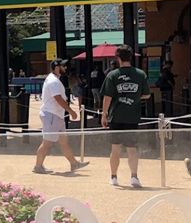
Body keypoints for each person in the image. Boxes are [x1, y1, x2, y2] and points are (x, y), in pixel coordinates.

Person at [100, 46, 147, 188]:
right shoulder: (140, 74)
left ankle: (113, 177)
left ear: (118, 58)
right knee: (132, 149)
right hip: (132, 116)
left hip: (116, 116)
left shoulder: (112, 75)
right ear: (131, 57)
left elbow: (107, 97)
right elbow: (147, 94)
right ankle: (134, 177)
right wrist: (135, 97)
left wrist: (104, 114)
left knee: (115, 149)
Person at [34, 58, 90, 174]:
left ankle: (74, 164)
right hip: (51, 115)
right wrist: (71, 111)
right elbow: (58, 98)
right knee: (47, 143)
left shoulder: (54, 79)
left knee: (63, 141)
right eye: (63, 66)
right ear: (56, 67)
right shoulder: (53, 81)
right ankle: (38, 166)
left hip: (56, 115)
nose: (65, 68)